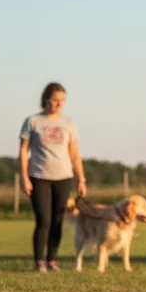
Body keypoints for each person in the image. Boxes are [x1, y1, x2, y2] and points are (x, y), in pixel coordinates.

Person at [19, 82, 87, 273]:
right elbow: (24, 151)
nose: (59, 104)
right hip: (39, 176)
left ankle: (52, 260)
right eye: (55, 100)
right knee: (44, 220)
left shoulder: (68, 123)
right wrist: (24, 177)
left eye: (62, 101)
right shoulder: (32, 121)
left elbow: (74, 152)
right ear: (46, 99)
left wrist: (81, 179)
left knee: (58, 220)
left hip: (63, 176)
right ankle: (39, 261)